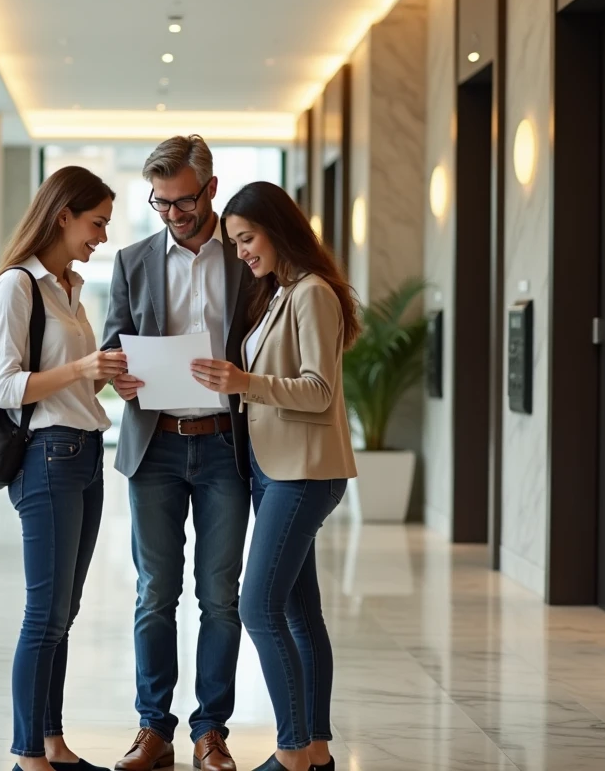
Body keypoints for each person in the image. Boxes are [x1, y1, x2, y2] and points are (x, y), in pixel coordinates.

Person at [190, 181, 360, 771]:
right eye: (234, 242)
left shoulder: (312, 293)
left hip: (303, 473)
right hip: (275, 469)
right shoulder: (279, 293)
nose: (240, 252)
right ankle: (315, 751)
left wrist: (242, 383)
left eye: (246, 238)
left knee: (259, 608)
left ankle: (290, 753)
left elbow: (318, 390)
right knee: (298, 612)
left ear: (277, 229)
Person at [101, 135, 253, 771]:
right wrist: (119, 374)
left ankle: (210, 731)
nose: (171, 214)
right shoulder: (134, 260)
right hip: (155, 448)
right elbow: (112, 344)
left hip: (226, 447)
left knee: (220, 594)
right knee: (154, 592)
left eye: (182, 202)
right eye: (160, 203)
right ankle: (153, 729)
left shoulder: (248, 261)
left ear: (210, 188)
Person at [0, 166, 128, 771]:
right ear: (62, 214)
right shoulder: (17, 286)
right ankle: (27, 755)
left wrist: (110, 376)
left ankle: (52, 742)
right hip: (47, 458)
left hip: (85, 453)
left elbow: (73, 377)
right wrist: (81, 369)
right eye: (96, 223)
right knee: (43, 613)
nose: (101, 236)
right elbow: (6, 386)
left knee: (63, 614)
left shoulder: (68, 286)